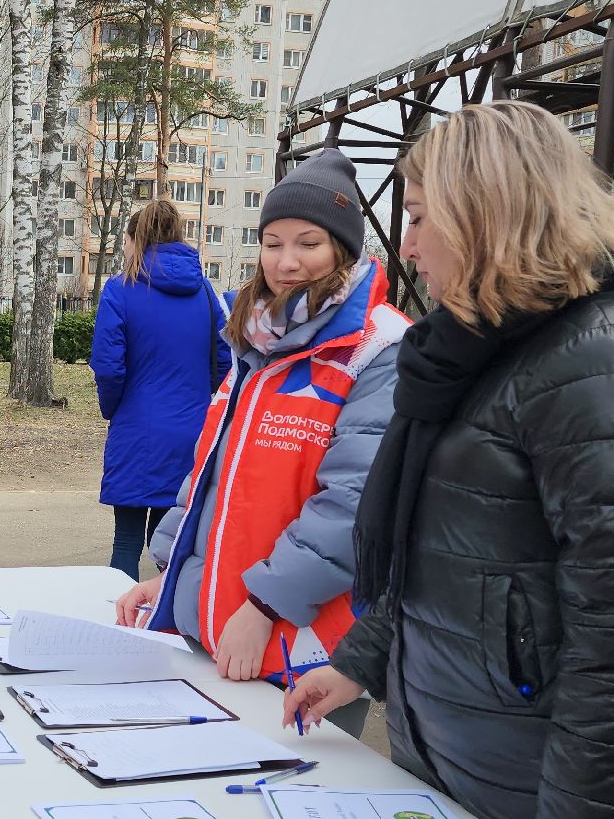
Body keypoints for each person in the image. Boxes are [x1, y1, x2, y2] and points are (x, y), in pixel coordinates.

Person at [283, 102, 614, 819]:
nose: (405, 246)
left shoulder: (607, 359)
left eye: (417, 218)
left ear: (490, 210)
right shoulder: (475, 353)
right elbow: (447, 561)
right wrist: (358, 663)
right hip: (470, 778)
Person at [114, 150, 406, 742]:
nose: (286, 262)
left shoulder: (379, 348)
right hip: (225, 624)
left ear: (343, 250)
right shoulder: (256, 338)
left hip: (304, 639)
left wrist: (266, 607)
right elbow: (210, 474)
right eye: (273, 243)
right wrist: (172, 577)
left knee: (298, 804)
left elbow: (353, 504)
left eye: (308, 243)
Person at [92, 200, 229, 580]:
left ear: (136, 239)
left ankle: (116, 625)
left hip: (137, 429)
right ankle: (164, 625)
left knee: (126, 542)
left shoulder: (120, 290)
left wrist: (114, 409)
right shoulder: (204, 292)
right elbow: (225, 360)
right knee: (168, 542)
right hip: (193, 432)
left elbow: (108, 365)